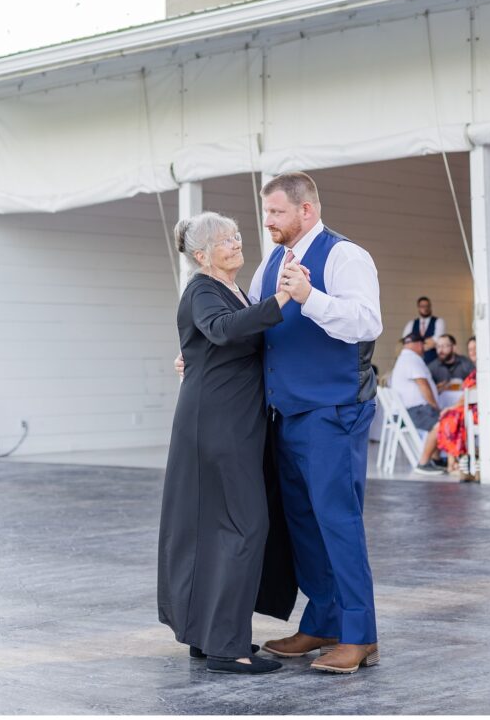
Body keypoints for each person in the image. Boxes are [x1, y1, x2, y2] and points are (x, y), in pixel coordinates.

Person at [249, 172, 383, 675]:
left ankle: (359, 635)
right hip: (286, 412)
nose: (269, 222)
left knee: (338, 521)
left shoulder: (346, 256)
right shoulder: (270, 263)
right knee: (302, 522)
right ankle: (323, 619)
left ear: (306, 210)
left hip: (333, 410)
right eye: (267, 213)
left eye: (277, 212)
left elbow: (367, 323)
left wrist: (311, 297)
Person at [157, 212, 295, 676]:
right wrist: (282, 298)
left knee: (216, 530)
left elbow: (216, 338)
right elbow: (220, 329)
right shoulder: (202, 289)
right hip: (216, 427)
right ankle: (227, 647)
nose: (236, 243)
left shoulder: (234, 291)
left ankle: (209, 635)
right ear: (202, 255)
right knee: (244, 525)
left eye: (236, 236)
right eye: (224, 240)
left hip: (231, 424)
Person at [436, 338, 490, 471]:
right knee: (454, 415)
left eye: (475, 349)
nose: (472, 352)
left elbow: (473, 392)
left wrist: (452, 407)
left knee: (451, 415)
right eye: (470, 349)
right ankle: (457, 461)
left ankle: (454, 463)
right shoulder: (481, 370)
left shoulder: (488, 370)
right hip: (485, 412)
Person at [391, 335, 447, 477]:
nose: (423, 348)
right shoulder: (411, 359)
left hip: (411, 409)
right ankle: (423, 463)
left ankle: (436, 458)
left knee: (441, 419)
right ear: (415, 344)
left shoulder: (406, 358)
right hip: (413, 410)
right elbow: (423, 384)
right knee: (442, 423)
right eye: (422, 344)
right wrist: (434, 405)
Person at [401, 297, 445, 365]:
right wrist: (428, 343)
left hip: (433, 361)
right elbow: (405, 343)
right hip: (414, 362)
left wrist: (415, 344)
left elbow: (437, 341)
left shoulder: (438, 321)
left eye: (427, 306)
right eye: (422, 306)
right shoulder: (411, 323)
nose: (425, 308)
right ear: (418, 308)